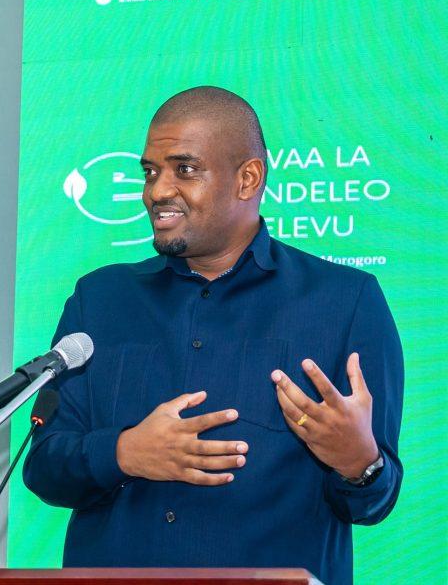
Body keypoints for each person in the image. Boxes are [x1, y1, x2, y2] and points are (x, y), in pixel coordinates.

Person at [22, 86, 403, 585]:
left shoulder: (345, 301)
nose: (157, 191)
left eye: (184, 169)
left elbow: (374, 502)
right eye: (150, 172)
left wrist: (360, 464)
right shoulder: (99, 300)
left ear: (248, 178)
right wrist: (124, 452)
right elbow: (44, 466)